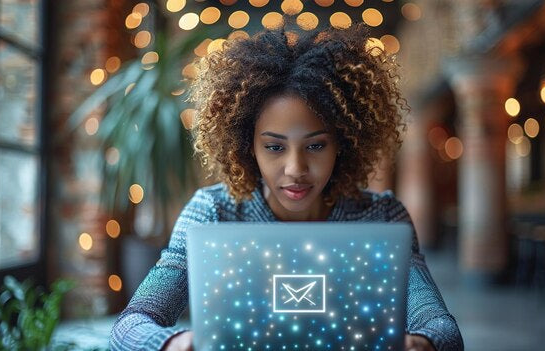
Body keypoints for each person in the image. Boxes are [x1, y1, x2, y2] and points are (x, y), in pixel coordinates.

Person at [110, 23, 464, 351]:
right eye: (275, 147)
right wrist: (173, 343)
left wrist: (423, 342)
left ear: (343, 143)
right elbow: (130, 326)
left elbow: (440, 326)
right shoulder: (212, 211)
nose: (295, 170)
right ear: (248, 146)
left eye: (315, 145)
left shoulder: (382, 216)